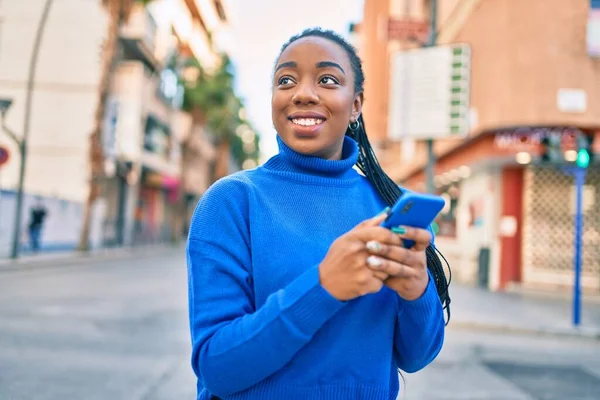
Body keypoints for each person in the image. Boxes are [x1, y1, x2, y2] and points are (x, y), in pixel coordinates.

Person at [186, 27, 451, 400]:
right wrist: (325, 286)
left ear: (356, 104)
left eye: (327, 80)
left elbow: (417, 355)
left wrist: (416, 291)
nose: (303, 93)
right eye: (286, 80)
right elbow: (217, 368)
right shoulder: (232, 201)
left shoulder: (392, 206)